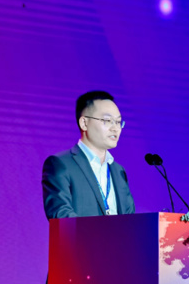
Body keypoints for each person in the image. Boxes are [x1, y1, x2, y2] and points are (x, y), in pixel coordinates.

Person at [42, 90, 136, 219]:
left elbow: (130, 219)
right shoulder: (60, 164)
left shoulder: (119, 171)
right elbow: (60, 215)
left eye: (118, 122)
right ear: (84, 123)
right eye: (108, 120)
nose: (115, 128)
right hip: (82, 234)